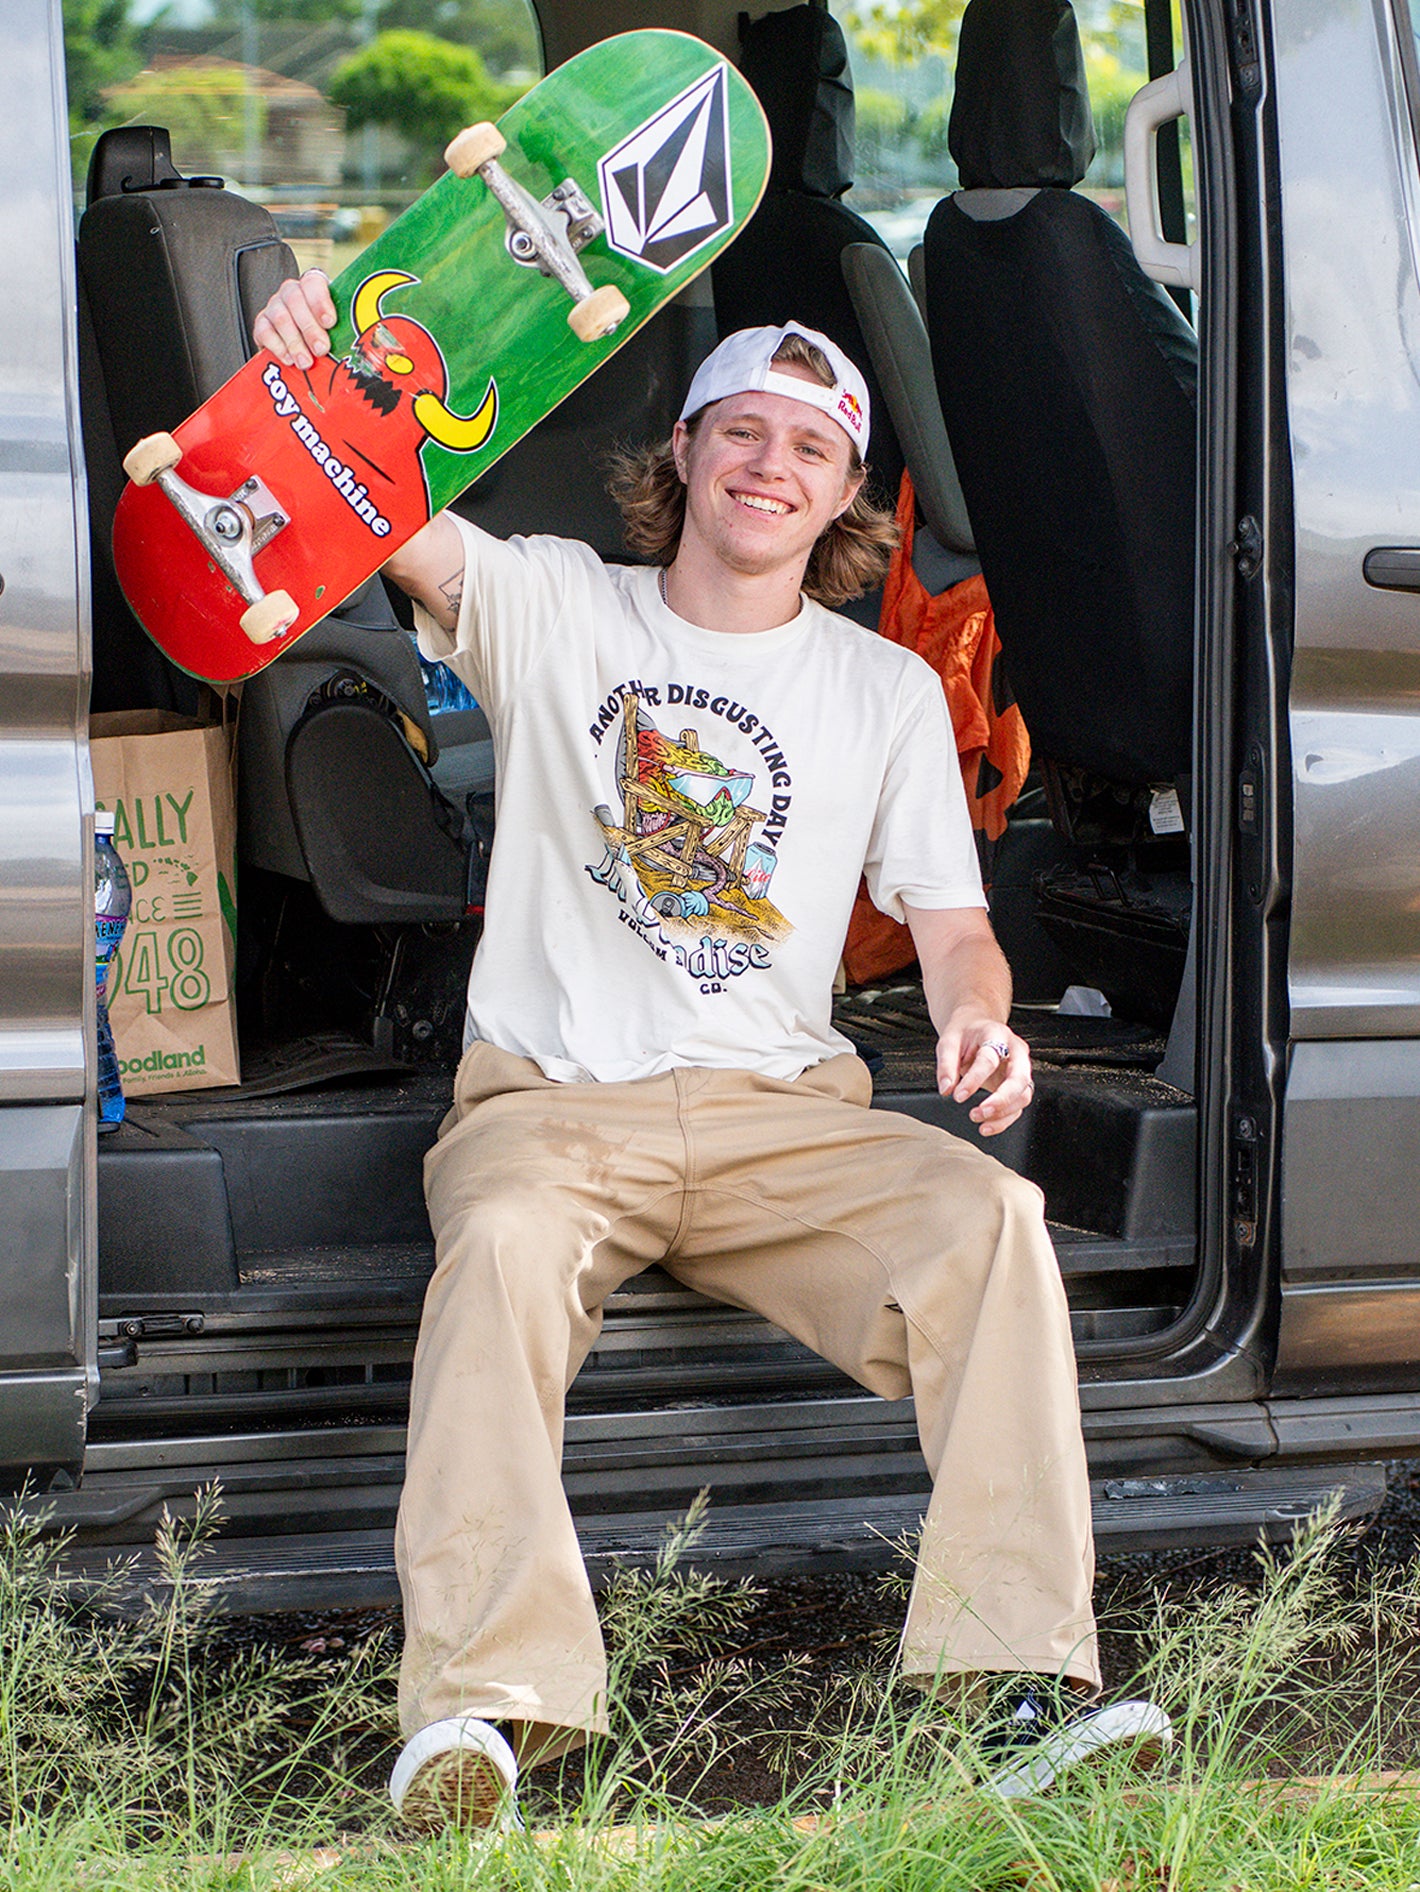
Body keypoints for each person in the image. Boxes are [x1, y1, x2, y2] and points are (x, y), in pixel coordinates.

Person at [255, 273, 1171, 1830]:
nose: (770, 464)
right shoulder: (554, 601)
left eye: (809, 447)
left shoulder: (880, 689)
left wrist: (976, 1014)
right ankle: (484, 1710)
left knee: (992, 1221)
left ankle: (1022, 1687)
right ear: (679, 454)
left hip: (777, 1116)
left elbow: (950, 922)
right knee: (500, 1252)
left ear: (846, 493)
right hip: (554, 1106)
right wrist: (307, 375)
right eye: (740, 431)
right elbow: (374, 504)